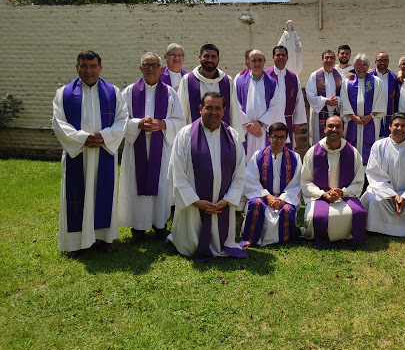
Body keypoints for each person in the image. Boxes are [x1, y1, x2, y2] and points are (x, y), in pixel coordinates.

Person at [52, 50, 128, 255]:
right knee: (76, 196)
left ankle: (103, 239)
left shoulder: (113, 92)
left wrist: (104, 136)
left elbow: (123, 119)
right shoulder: (64, 93)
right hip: (78, 153)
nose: (88, 70)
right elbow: (59, 123)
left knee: (103, 193)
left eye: (93, 66)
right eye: (83, 66)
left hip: (103, 151)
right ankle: (74, 244)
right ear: (76, 67)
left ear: (100, 68)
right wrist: (83, 138)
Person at [167, 92, 246, 260]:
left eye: (218, 108)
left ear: (224, 111)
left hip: (222, 205)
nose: (213, 112)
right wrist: (196, 202)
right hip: (194, 207)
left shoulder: (232, 136)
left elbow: (240, 173)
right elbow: (177, 172)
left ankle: (220, 242)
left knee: (221, 236)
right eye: (208, 107)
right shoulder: (185, 135)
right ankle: (192, 241)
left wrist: (227, 200)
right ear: (200, 108)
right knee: (191, 243)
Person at [118, 52, 185, 244]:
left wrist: (163, 125)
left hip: (161, 148)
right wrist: (137, 124)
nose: (150, 69)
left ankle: (160, 225)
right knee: (135, 184)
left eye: (154, 65)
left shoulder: (170, 93)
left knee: (162, 184)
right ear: (140, 68)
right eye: (146, 65)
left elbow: (180, 120)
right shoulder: (129, 92)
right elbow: (119, 120)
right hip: (136, 146)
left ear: (161, 69)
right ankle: (138, 228)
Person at [300, 115, 366, 247]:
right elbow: (306, 181)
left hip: (345, 197)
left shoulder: (353, 153)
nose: (334, 129)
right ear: (324, 129)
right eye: (330, 126)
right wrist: (323, 194)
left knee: (359, 213)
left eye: (338, 127)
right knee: (316, 217)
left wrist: (342, 192)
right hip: (319, 197)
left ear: (342, 130)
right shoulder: (313, 152)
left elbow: (358, 182)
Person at [240, 123, 302, 246]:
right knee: (255, 204)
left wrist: (282, 200)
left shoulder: (295, 157)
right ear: (269, 137)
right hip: (263, 197)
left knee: (287, 209)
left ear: (286, 138)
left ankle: (284, 238)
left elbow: (297, 183)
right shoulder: (258, 156)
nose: (279, 141)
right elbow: (250, 180)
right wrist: (268, 197)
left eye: (282, 137)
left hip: (284, 199)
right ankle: (252, 238)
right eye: (275, 137)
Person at [177, 44, 242, 132]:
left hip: (221, 136)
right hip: (194, 135)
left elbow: (234, 112)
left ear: (218, 59)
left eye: (213, 57)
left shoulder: (227, 81)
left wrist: (236, 138)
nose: (210, 60)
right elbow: (181, 112)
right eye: (206, 56)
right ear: (199, 57)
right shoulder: (187, 80)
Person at [235, 49, 283, 158]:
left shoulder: (272, 83)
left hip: (263, 130)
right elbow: (234, 104)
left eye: (260, 60)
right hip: (246, 130)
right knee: (245, 161)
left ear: (264, 61)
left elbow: (275, 106)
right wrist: (249, 125)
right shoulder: (239, 81)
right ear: (248, 62)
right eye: (254, 60)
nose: (257, 63)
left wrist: (259, 124)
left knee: (263, 160)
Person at [340, 53, 386, 164]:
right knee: (352, 145)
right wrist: (353, 116)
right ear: (354, 67)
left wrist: (370, 116)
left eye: (364, 65)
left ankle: (368, 173)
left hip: (371, 122)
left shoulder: (376, 81)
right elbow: (344, 101)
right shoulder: (347, 83)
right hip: (352, 122)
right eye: (358, 65)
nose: (361, 68)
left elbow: (380, 101)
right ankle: (353, 171)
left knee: (370, 146)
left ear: (368, 67)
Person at [265, 45, 307, 150]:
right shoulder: (265, 75)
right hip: (269, 120)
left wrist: (297, 121)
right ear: (273, 57)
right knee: (268, 148)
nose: (281, 57)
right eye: (278, 55)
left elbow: (299, 100)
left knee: (285, 149)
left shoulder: (293, 77)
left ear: (287, 58)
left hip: (287, 119)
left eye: (283, 55)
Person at [306, 50, 342, 145]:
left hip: (335, 114)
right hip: (320, 115)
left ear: (335, 61)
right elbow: (310, 94)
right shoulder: (315, 76)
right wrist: (326, 101)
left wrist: (337, 100)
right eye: (326, 57)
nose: (329, 60)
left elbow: (344, 94)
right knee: (320, 143)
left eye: (331, 58)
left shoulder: (339, 76)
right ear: (322, 60)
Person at [371, 52, 398, 138]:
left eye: (385, 60)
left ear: (388, 62)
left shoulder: (394, 78)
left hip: (388, 114)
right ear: (375, 62)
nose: (382, 63)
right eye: (380, 60)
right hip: (372, 115)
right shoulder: (369, 76)